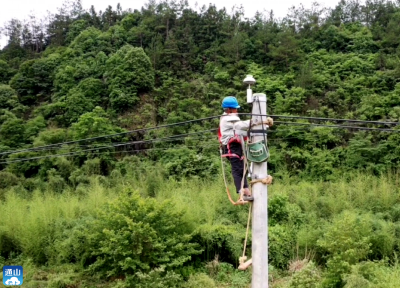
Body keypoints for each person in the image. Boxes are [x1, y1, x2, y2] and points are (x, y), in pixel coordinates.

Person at [219, 96, 252, 200]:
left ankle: (246, 190)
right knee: (237, 168)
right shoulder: (227, 119)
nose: (237, 110)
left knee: (242, 168)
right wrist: (256, 121)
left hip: (237, 146)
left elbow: (241, 130)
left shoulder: (231, 118)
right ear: (229, 109)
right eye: (235, 108)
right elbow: (241, 125)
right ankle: (240, 190)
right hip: (230, 146)